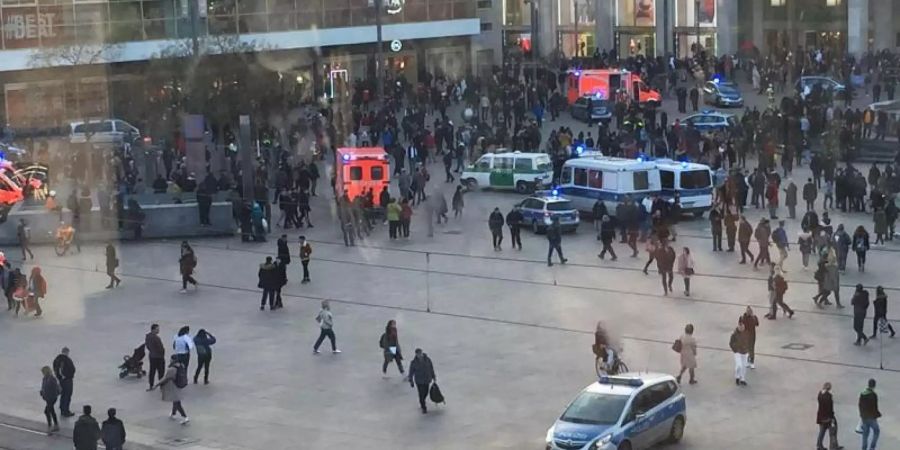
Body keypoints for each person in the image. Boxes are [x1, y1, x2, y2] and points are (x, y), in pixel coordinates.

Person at [151, 355, 189, 425]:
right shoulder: (181, 365)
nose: (170, 360)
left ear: (172, 360)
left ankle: (184, 417)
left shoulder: (172, 369)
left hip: (173, 387)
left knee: (177, 402)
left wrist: (156, 385)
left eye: (170, 359)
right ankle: (173, 413)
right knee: (175, 400)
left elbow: (165, 378)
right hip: (179, 385)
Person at [407, 348, 436, 414]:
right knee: (421, 394)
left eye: (420, 353)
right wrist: (411, 381)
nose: (419, 355)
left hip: (427, 379)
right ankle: (423, 407)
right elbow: (411, 372)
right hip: (419, 381)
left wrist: (433, 376)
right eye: (418, 354)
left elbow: (431, 368)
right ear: (416, 355)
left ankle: (422, 401)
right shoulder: (413, 363)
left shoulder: (427, 360)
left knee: (426, 392)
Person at [816, 382, 841, 450]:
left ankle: (819, 445)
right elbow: (830, 408)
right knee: (833, 432)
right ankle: (833, 447)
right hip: (828, 418)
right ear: (829, 388)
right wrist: (832, 417)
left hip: (821, 417)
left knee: (821, 432)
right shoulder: (829, 396)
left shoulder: (820, 394)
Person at [52, 347, 75, 418]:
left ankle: (62, 408)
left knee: (63, 394)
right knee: (67, 395)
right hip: (67, 380)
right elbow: (71, 369)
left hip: (61, 380)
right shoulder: (66, 360)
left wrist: (58, 377)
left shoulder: (57, 359)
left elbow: (55, 368)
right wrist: (65, 376)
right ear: (66, 352)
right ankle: (65, 411)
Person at [859, 378, 881, 450]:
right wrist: (878, 414)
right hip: (871, 417)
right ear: (874, 386)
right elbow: (874, 407)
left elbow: (860, 405)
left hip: (864, 417)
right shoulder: (873, 395)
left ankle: (864, 448)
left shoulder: (863, 393)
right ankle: (872, 447)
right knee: (876, 431)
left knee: (865, 434)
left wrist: (862, 415)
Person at [145, 324, 165, 391]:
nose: (158, 330)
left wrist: (152, 351)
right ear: (153, 329)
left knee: (152, 371)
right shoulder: (156, 338)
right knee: (161, 372)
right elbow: (161, 348)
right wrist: (162, 354)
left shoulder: (147, 336)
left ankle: (151, 385)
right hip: (159, 357)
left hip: (152, 356)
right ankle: (162, 386)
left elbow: (147, 346)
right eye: (157, 329)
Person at [40, 365, 60, 434]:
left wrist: (51, 394)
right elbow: (43, 387)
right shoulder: (45, 378)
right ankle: (56, 425)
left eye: (43, 372)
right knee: (51, 410)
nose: (42, 373)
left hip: (52, 398)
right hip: (48, 398)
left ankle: (50, 426)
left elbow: (56, 388)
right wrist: (42, 392)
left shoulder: (52, 379)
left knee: (47, 411)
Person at [729, 320, 749, 386]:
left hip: (745, 351)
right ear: (738, 327)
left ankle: (742, 378)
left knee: (744, 366)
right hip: (738, 352)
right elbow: (731, 343)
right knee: (739, 365)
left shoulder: (746, 332)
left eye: (743, 327)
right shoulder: (734, 334)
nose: (742, 329)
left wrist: (747, 348)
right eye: (741, 327)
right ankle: (737, 376)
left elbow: (748, 340)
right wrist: (735, 349)